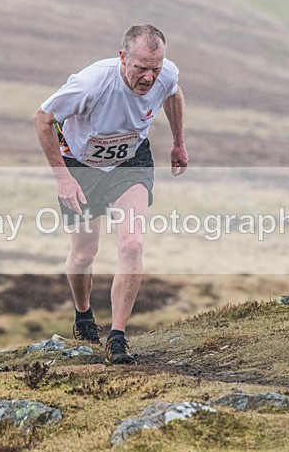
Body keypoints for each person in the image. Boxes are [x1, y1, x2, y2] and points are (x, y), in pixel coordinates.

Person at [34, 24, 187, 364]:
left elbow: (174, 94)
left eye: (155, 69)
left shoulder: (166, 74)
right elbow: (42, 119)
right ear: (123, 57)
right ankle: (83, 315)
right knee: (84, 254)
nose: (149, 77)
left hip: (131, 162)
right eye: (141, 68)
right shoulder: (92, 83)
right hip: (81, 166)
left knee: (132, 243)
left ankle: (117, 338)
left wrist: (178, 142)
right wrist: (63, 178)